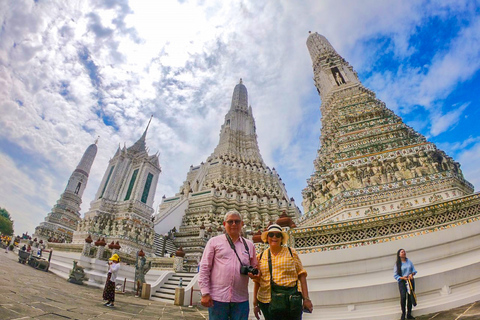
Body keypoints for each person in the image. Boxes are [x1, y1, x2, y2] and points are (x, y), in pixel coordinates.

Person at [198, 210, 258, 320]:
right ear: (224, 224)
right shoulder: (214, 242)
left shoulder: (249, 245)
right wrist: (205, 293)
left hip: (241, 299)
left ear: (242, 224)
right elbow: (205, 267)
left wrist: (254, 274)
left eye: (237, 221)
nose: (234, 224)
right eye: (230, 222)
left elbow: (255, 267)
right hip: (218, 298)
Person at [253, 224, 313, 320]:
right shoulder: (260, 256)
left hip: (290, 300)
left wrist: (306, 299)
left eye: (278, 235)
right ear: (267, 238)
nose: (274, 237)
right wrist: (255, 304)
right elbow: (257, 281)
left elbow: (301, 275)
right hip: (266, 300)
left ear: (281, 238)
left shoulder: (291, 252)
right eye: (271, 235)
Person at [394, 249, 417, 320]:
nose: (404, 253)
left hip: (410, 281)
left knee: (410, 297)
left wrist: (411, 274)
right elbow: (395, 275)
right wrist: (402, 278)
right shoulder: (397, 264)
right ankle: (403, 313)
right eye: (402, 252)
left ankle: (409, 313)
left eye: (404, 252)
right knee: (403, 297)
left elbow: (414, 270)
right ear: (399, 254)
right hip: (402, 282)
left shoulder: (408, 261)